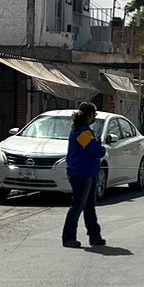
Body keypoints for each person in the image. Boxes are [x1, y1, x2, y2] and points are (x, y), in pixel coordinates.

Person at [62, 102, 106, 249]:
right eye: (94, 115)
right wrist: (101, 146)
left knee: (89, 206)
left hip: (88, 172)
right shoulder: (83, 133)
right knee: (78, 206)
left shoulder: (82, 131)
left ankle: (95, 236)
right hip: (82, 173)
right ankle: (68, 238)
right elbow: (96, 151)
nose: (95, 117)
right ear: (90, 116)